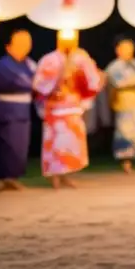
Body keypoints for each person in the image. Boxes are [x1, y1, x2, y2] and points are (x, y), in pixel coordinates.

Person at [33, 44, 104, 189]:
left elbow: (93, 81)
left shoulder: (81, 57)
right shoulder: (50, 59)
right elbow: (40, 85)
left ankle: (67, 174)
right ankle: (54, 177)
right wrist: (59, 75)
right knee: (55, 143)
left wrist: (83, 68)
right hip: (55, 106)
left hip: (73, 105)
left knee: (71, 143)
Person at [0, 30, 36, 191]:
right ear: (9, 46)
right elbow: (16, 82)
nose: (25, 46)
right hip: (5, 109)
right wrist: (32, 85)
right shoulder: (1, 65)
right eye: (20, 42)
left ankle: (13, 177)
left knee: (20, 144)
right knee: (3, 143)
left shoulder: (30, 64)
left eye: (27, 43)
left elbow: (38, 83)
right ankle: (0, 178)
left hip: (23, 109)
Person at [105, 36, 135, 172]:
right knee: (124, 131)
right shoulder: (114, 66)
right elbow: (118, 83)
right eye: (125, 48)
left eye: (130, 48)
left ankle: (134, 159)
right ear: (118, 50)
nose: (129, 51)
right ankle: (125, 161)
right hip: (124, 102)